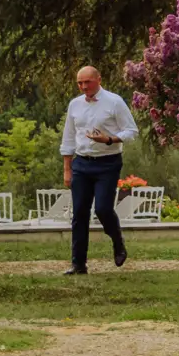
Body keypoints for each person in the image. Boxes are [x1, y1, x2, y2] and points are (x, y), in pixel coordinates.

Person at [58, 66, 136, 274]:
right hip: (81, 163)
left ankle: (117, 241)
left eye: (87, 82)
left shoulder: (114, 102)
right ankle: (78, 264)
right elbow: (68, 138)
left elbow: (131, 131)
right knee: (79, 213)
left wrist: (109, 139)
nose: (84, 86)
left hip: (107, 163)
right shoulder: (74, 105)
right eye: (79, 83)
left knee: (102, 209)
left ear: (98, 79)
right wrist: (68, 169)